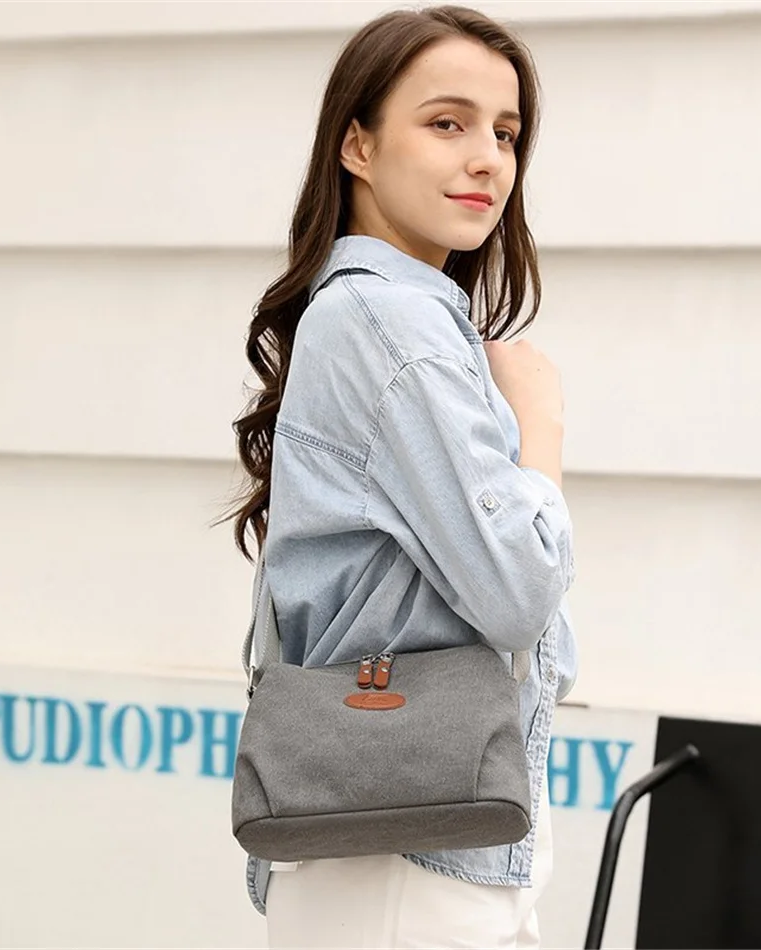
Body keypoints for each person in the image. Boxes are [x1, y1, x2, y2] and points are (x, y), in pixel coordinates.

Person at [219, 5, 578, 947]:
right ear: (359, 147)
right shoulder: (391, 322)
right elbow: (516, 592)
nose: (488, 159)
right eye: (447, 122)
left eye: (506, 133)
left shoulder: (387, 317)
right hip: (407, 851)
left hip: (421, 831)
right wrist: (541, 427)